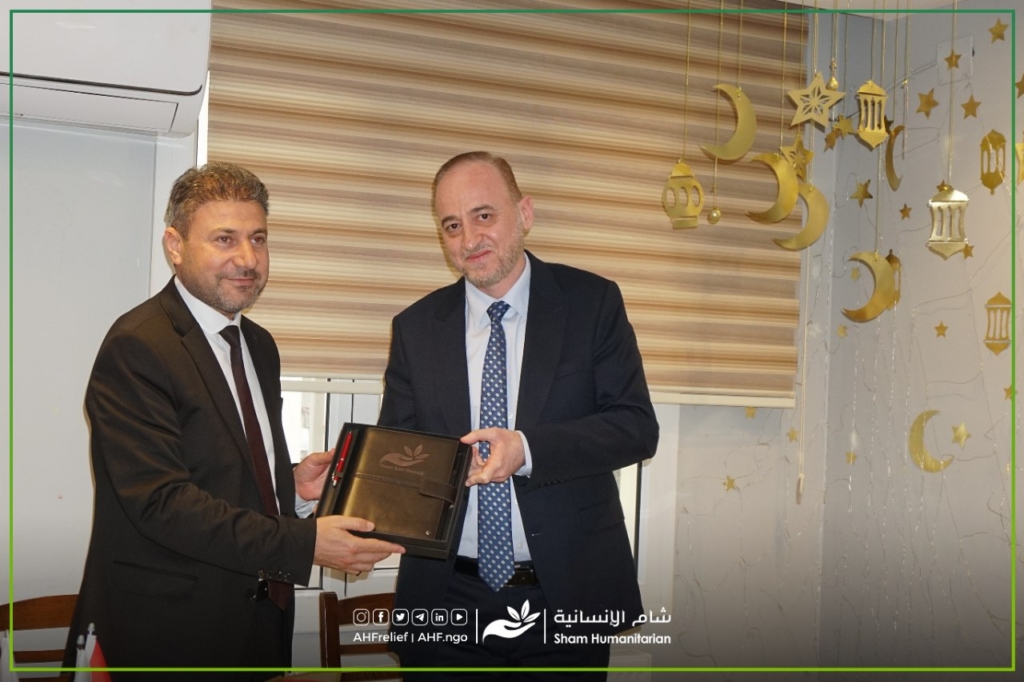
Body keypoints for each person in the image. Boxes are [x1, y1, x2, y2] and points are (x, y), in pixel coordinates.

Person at [63, 162, 404, 680]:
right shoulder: (137, 346)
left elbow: (225, 469)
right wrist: (306, 543)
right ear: (175, 246)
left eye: (258, 239)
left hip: (260, 622)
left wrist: (292, 487)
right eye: (225, 239)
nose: (247, 259)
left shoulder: (259, 345)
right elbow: (161, 503)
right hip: (167, 632)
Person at [379, 151, 659, 679]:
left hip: (565, 595)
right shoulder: (415, 328)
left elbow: (636, 427)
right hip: (447, 596)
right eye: (452, 225)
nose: (469, 239)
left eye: (484, 215)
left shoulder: (592, 303)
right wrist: (358, 482)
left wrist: (526, 450)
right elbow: (399, 452)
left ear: (524, 213)